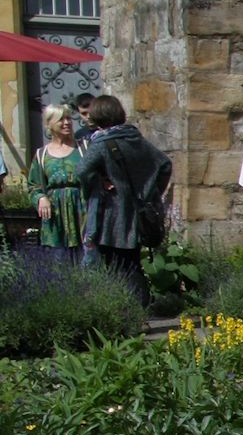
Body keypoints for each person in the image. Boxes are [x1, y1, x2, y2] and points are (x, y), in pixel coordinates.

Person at [74, 94, 172, 306]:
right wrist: (151, 192)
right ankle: (139, 308)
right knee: (132, 263)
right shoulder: (135, 138)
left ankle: (130, 311)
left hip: (112, 214)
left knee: (116, 265)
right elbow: (165, 164)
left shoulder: (102, 143)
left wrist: (97, 184)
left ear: (98, 116)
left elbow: (81, 171)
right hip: (136, 213)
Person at [27, 104, 87, 263]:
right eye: (61, 119)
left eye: (68, 118)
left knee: (86, 263)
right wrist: (41, 198)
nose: (67, 122)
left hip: (82, 212)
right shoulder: (42, 155)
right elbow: (33, 185)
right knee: (58, 264)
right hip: (55, 216)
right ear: (49, 124)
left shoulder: (83, 148)